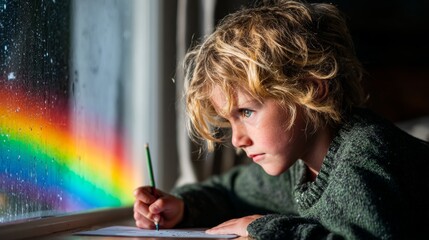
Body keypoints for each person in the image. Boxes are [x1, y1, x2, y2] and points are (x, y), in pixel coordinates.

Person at [133, 0, 429, 239]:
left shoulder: (361, 156)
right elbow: (229, 192)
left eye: (246, 112)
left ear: (310, 90)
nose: (237, 139)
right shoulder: (301, 163)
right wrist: (182, 207)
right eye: (231, 119)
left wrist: (264, 228)